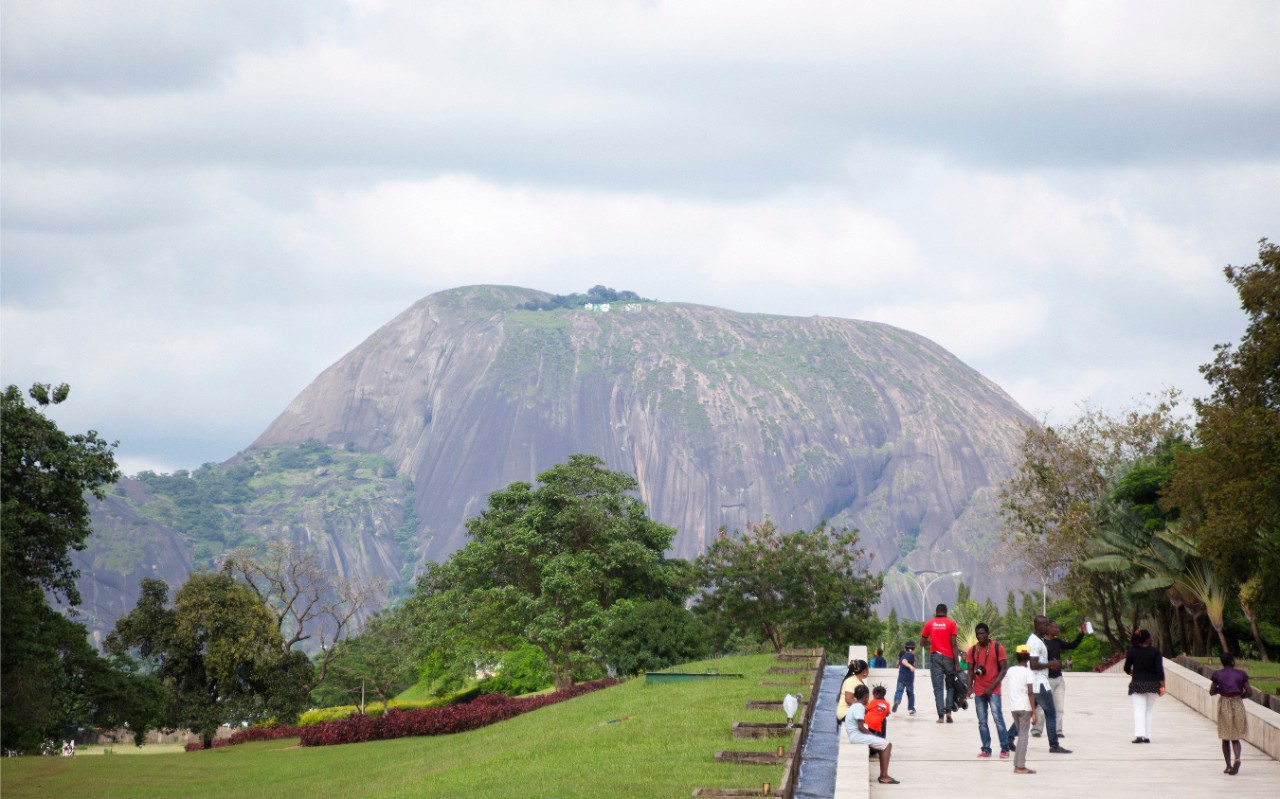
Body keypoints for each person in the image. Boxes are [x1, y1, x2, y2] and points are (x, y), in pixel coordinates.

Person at [1032, 619, 1086, 738]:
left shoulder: (1057, 642)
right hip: (1046, 679)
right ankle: (1036, 729)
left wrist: (1081, 633)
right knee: (1041, 706)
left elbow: (1072, 645)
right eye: (1055, 627)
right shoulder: (1040, 643)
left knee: (1059, 707)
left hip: (1058, 679)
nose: (1058, 630)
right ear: (1049, 629)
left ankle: (1058, 730)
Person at [1026, 615, 1071, 753]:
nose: (1047, 627)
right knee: (1051, 713)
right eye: (1045, 625)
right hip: (1038, 682)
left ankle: (1009, 738)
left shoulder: (1038, 640)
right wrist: (1051, 664)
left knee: (1027, 712)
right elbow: (1033, 665)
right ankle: (1054, 745)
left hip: (1040, 682)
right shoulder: (1034, 642)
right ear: (1038, 626)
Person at [966, 623, 1010, 758]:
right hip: (979, 690)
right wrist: (969, 687)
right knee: (982, 721)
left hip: (994, 689)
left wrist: (992, 687)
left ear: (988, 633)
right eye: (978, 634)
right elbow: (970, 671)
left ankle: (1004, 748)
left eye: (982, 633)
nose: (980, 636)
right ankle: (986, 748)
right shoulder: (973, 650)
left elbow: (1003, 669)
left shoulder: (998, 648)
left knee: (998, 718)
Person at [845, 684, 899, 785]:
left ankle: (884, 774)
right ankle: (884, 776)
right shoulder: (859, 707)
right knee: (887, 745)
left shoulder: (855, 705)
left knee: (882, 744)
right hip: (856, 736)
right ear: (866, 696)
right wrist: (872, 735)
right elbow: (861, 727)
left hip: (855, 735)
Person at [1209, 653, 1250, 775]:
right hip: (1237, 703)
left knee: (1225, 735)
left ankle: (1228, 766)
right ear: (1233, 661)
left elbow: (1211, 691)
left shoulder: (1217, 674)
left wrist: (1220, 690)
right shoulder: (1241, 674)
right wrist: (1240, 696)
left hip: (1225, 703)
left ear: (1222, 662)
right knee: (1235, 736)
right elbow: (1250, 692)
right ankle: (1237, 758)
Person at [1123, 628, 1165, 743]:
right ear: (1147, 639)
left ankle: (1139, 735)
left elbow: (1126, 668)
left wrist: (1132, 673)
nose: (1152, 639)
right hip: (1152, 684)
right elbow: (1159, 670)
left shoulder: (1132, 651)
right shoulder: (1155, 652)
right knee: (1148, 710)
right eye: (1150, 637)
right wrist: (1162, 686)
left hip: (1137, 684)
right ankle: (1147, 736)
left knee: (1138, 709)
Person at [920, 603, 961, 723]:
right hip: (948, 657)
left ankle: (941, 717)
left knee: (938, 688)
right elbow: (953, 644)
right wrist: (957, 664)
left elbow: (922, 642)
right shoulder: (951, 623)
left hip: (935, 657)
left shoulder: (929, 623)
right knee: (950, 686)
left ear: (936, 611)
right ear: (946, 612)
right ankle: (949, 712)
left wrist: (932, 643)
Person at [1002, 645, 1038, 774]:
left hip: (1014, 708)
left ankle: (1017, 764)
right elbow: (1030, 693)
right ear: (1028, 657)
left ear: (1017, 656)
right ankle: (1020, 766)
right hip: (1024, 707)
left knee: (1020, 735)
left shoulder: (1011, 670)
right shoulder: (1028, 672)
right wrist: (1034, 712)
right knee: (1023, 737)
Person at [835, 659, 870, 729]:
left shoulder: (858, 682)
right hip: (845, 713)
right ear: (865, 671)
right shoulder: (851, 681)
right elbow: (848, 699)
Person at [892, 641, 917, 715]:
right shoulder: (910, 655)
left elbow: (902, 661)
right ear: (914, 648)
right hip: (909, 679)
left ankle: (897, 701)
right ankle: (911, 708)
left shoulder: (903, 655)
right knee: (910, 694)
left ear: (905, 648)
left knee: (899, 691)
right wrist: (910, 666)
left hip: (901, 678)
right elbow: (904, 661)